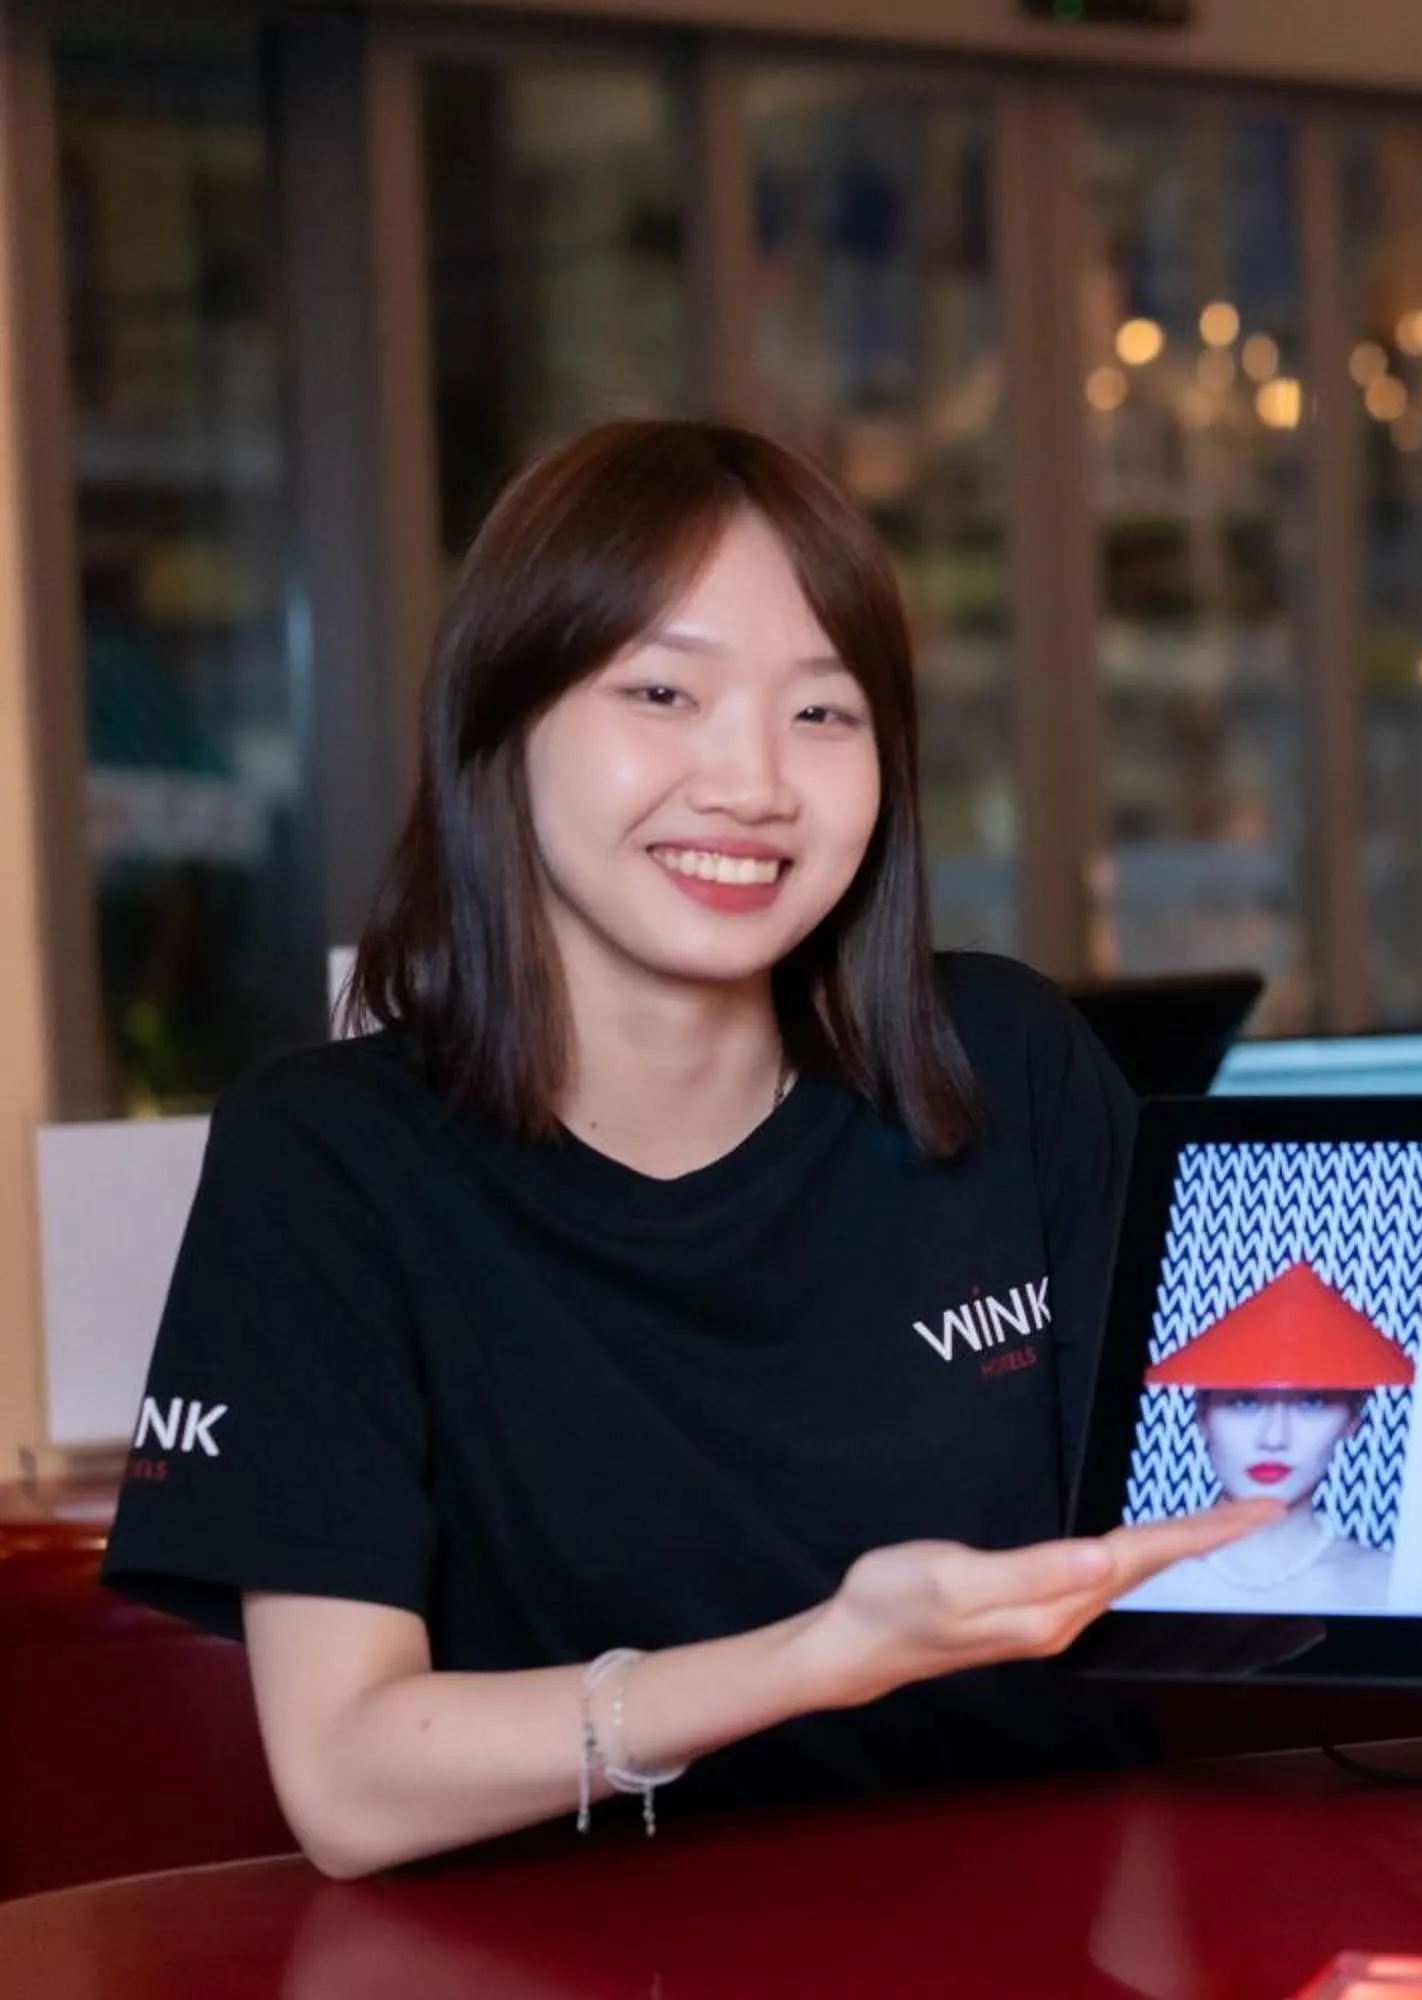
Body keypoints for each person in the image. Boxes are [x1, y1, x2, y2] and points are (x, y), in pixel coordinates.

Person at [97, 419, 1270, 1878]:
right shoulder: (329, 1160)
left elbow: (1233, 1553)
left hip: (1035, 1939)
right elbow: (348, 1782)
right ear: (500, 724)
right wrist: (813, 1659)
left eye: (823, 714)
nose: (753, 784)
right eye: (662, 691)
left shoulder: (1004, 1063)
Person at [1127, 1261, 1413, 1610]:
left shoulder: (1390, 1587)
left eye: (1312, 1402)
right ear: (1201, 1412)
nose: (1274, 1438)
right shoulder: (1126, 1579)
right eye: (1244, 1401)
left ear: (1353, 1418)